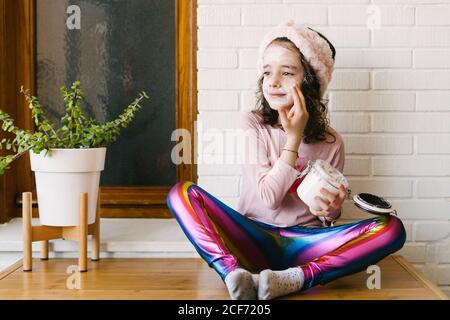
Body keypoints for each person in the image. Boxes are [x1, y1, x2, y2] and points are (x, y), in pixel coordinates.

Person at [166, 21, 406, 300]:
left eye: (287, 72)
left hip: (303, 247)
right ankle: (232, 274)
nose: (273, 81)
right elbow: (269, 198)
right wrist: (293, 140)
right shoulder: (252, 124)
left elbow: (324, 215)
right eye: (267, 72)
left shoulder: (332, 143)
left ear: (309, 81)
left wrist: (332, 210)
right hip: (250, 238)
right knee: (181, 193)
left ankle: (298, 279)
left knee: (392, 229)